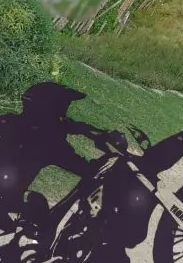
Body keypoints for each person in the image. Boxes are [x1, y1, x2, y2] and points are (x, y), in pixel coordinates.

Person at [0, 81, 121, 235]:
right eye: (60, 107)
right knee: (41, 220)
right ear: (46, 108)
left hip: (11, 197)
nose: (63, 113)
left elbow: (76, 126)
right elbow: (81, 164)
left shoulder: (12, 122)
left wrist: (100, 134)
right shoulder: (48, 142)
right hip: (9, 202)